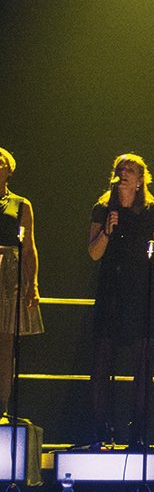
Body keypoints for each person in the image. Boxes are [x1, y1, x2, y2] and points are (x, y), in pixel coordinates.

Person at [85, 153, 154, 447]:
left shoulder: (153, 211)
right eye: (121, 170)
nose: (125, 174)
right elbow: (94, 253)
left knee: (142, 364)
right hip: (112, 289)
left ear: (141, 179)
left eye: (131, 171)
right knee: (102, 361)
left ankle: (139, 431)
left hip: (143, 290)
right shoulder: (103, 208)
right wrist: (108, 231)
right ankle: (100, 429)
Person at [0, 149, 43, 415]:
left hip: (7, 274)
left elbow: (29, 248)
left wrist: (32, 284)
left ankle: (1, 406)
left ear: (8, 169)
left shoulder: (20, 204)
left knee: (5, 344)